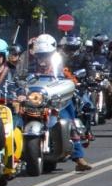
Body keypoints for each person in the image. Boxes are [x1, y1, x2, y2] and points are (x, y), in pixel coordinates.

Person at [25, 36, 92, 171]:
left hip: (56, 100)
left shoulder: (59, 65)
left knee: (69, 119)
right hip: (35, 100)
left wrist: (70, 81)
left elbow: (68, 79)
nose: (43, 58)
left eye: (46, 55)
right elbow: (21, 78)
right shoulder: (30, 65)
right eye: (40, 55)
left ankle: (78, 157)